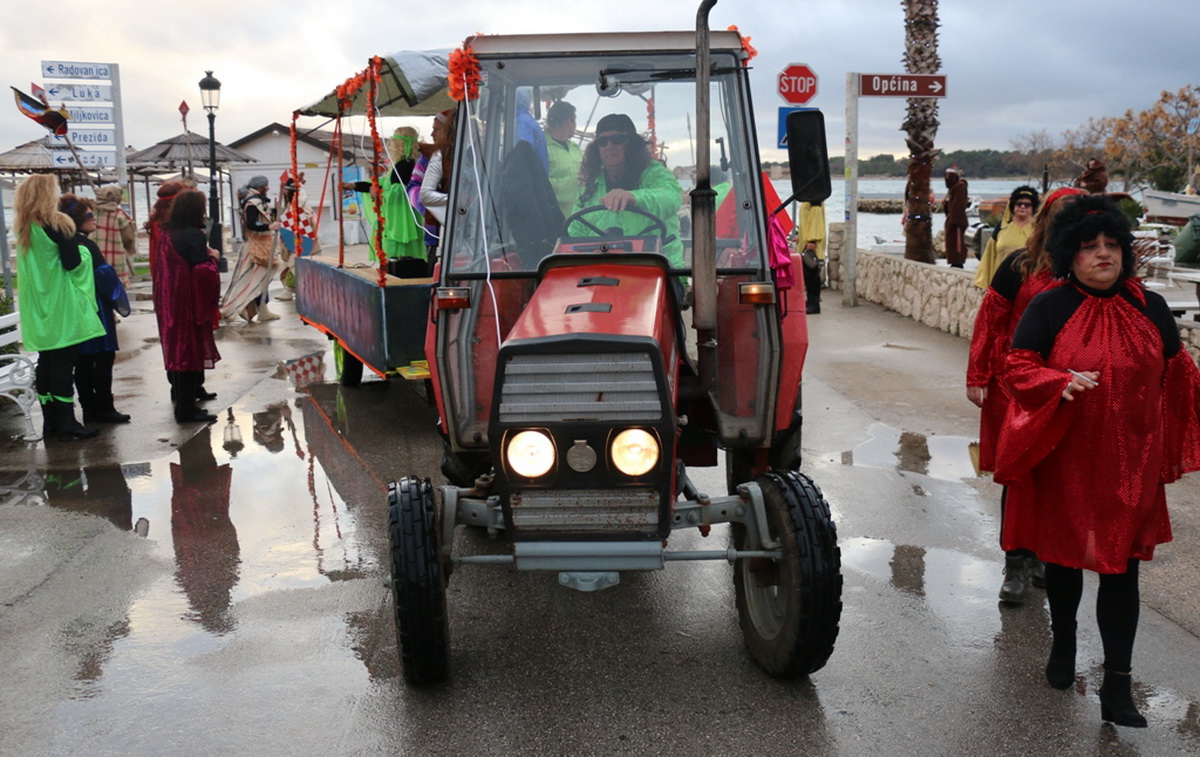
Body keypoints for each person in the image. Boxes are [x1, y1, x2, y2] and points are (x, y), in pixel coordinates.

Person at [994, 193, 1200, 727]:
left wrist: (1174, 443)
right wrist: (1057, 381)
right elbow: (1016, 367)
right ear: (1070, 255)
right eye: (1090, 247)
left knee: (1122, 572)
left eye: (1112, 244)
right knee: (1064, 563)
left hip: (1131, 466)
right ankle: (1063, 645)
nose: (1103, 254)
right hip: (1067, 462)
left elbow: (1178, 375)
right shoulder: (1050, 306)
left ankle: (1117, 687)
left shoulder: (1149, 307)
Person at [966, 187, 1086, 604]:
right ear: (1046, 219)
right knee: (1021, 476)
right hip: (1016, 388)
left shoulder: (1086, 268)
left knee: (1056, 476)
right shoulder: (1018, 264)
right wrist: (977, 375)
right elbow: (991, 321)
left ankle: (1041, 557)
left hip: (1070, 391)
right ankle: (1014, 564)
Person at [12, 174, 106, 441]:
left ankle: (51, 420)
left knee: (47, 362)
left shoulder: (24, 228)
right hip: (62, 306)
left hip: (38, 307)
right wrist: (86, 254)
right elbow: (72, 263)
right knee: (64, 364)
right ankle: (68, 422)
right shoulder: (58, 224)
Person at [568, 113, 684, 267]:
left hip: (658, 268)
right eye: (602, 141)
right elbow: (574, 231)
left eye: (617, 139)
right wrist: (586, 252)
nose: (609, 146)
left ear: (632, 144)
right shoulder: (590, 187)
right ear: (597, 149)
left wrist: (634, 197)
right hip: (600, 269)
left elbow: (671, 197)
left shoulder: (655, 174)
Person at [59, 194, 131, 424]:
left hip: (74, 310)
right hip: (96, 308)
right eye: (88, 215)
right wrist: (118, 300)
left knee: (82, 361)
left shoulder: (65, 242)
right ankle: (104, 408)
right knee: (102, 357)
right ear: (76, 218)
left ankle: (89, 408)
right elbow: (105, 277)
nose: (94, 220)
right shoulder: (87, 245)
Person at [159, 189, 222, 424]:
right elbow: (201, 271)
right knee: (187, 355)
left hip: (171, 302)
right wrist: (213, 258)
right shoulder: (193, 234)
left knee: (177, 355)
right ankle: (186, 410)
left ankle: (181, 400)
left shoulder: (169, 232)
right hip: (188, 305)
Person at [353, 127, 426, 276]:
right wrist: (356, 186)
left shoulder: (405, 165)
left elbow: (398, 195)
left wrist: (379, 194)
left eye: (393, 141)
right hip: (401, 223)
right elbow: (382, 185)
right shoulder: (407, 164)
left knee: (400, 265)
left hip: (399, 225)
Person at [221, 175, 282, 323]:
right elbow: (251, 224)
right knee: (259, 278)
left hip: (259, 245)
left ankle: (253, 308)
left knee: (258, 278)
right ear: (260, 187)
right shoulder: (253, 203)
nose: (268, 188)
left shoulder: (255, 201)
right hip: (256, 247)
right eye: (266, 185)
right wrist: (269, 226)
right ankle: (252, 308)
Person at [973, 185, 1039, 289]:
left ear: (1033, 208)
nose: (1022, 207)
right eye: (1019, 204)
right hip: (1001, 281)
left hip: (1028, 283)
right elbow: (989, 255)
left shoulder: (1037, 229)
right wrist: (982, 280)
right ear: (1013, 206)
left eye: (1027, 205)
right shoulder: (1002, 227)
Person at [419, 109, 458, 259]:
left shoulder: (484, 153)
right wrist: (457, 201)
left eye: (436, 129)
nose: (432, 134)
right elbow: (424, 195)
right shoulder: (440, 155)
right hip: (449, 233)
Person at [92, 184, 137, 285]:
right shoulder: (119, 215)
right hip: (114, 258)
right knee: (115, 289)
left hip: (93, 257)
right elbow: (129, 237)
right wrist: (130, 248)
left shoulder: (92, 212)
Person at [546, 100, 583, 218]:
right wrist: (575, 182)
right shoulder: (542, 147)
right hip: (555, 220)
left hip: (580, 219)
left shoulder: (575, 148)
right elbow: (541, 184)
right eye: (574, 120)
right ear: (569, 122)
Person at [798, 200, 827, 314]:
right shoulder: (810, 201)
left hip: (811, 247)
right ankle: (810, 301)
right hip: (807, 244)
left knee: (813, 277)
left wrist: (811, 240)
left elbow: (816, 222)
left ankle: (814, 304)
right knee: (809, 277)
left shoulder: (814, 203)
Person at [941, 167, 969, 268]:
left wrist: (954, 220)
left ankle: (958, 262)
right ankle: (954, 262)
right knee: (951, 243)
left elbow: (959, 205)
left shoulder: (960, 187)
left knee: (957, 243)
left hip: (957, 221)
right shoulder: (953, 188)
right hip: (952, 220)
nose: (947, 179)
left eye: (949, 176)